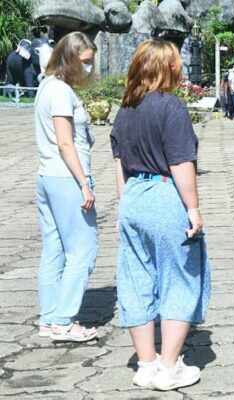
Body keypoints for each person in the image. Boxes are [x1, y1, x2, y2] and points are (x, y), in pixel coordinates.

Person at [110, 38, 211, 391]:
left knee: (137, 279)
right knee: (180, 278)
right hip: (165, 194)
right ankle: (169, 368)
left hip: (134, 197)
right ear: (168, 67)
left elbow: (120, 165)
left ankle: (146, 364)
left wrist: (126, 208)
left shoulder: (125, 111)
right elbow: (181, 162)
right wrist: (194, 209)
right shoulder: (172, 107)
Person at [34, 31, 99, 342]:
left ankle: (49, 318)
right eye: (85, 62)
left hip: (48, 177)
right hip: (67, 178)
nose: (88, 68)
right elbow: (65, 142)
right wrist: (84, 184)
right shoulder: (60, 91)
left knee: (55, 250)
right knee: (83, 249)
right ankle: (63, 320)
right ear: (71, 59)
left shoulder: (45, 87)